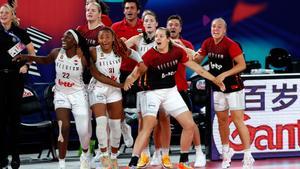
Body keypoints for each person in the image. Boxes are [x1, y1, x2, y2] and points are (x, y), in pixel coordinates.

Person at [125, 27, 225, 169]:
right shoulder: (150, 55)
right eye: (156, 37)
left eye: (161, 36)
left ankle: (183, 161)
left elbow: (198, 68)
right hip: (152, 93)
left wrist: (214, 79)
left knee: (189, 125)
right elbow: (136, 72)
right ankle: (133, 162)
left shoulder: (177, 52)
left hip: (171, 91)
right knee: (148, 126)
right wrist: (128, 80)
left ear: (167, 39)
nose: (157, 39)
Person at [14, 29, 93, 169]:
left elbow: (95, 73)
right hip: (61, 93)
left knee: (83, 130)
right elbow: (44, 60)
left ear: (74, 41)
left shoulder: (82, 55)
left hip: (79, 94)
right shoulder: (57, 52)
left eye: (67, 37)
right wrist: (28, 57)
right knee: (64, 126)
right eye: (62, 36)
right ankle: (62, 163)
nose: (63, 39)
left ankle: (85, 154)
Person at [193, 17, 255, 169]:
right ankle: (226, 154)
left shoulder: (231, 45)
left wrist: (224, 74)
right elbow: (197, 61)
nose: (215, 29)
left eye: (219, 27)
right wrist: (192, 55)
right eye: (213, 26)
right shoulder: (207, 43)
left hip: (234, 87)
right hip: (218, 88)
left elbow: (242, 65)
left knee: (237, 120)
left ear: (225, 30)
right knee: (221, 121)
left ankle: (248, 156)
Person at [88, 26, 142, 169]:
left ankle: (113, 156)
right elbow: (98, 75)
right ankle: (104, 154)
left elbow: (134, 54)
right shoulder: (93, 51)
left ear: (113, 38)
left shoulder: (119, 50)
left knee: (115, 126)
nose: (104, 40)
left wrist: (141, 63)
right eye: (101, 37)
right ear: (97, 39)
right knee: (101, 122)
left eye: (107, 37)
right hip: (98, 88)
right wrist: (121, 85)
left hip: (114, 90)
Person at [0, 3, 35, 169]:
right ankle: (1, 159)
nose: (3, 15)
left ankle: (15, 157)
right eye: (1, 12)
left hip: (15, 80)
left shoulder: (20, 33)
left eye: (6, 12)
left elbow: (31, 52)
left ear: (12, 15)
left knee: (14, 119)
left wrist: (25, 65)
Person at [111, 0, 145, 148]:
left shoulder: (146, 25)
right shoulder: (115, 27)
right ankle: (124, 129)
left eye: (132, 8)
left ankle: (144, 147)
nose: (129, 10)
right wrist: (119, 44)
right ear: (123, 11)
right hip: (122, 73)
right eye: (126, 8)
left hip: (141, 72)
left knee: (144, 111)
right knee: (116, 108)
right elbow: (109, 50)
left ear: (138, 10)